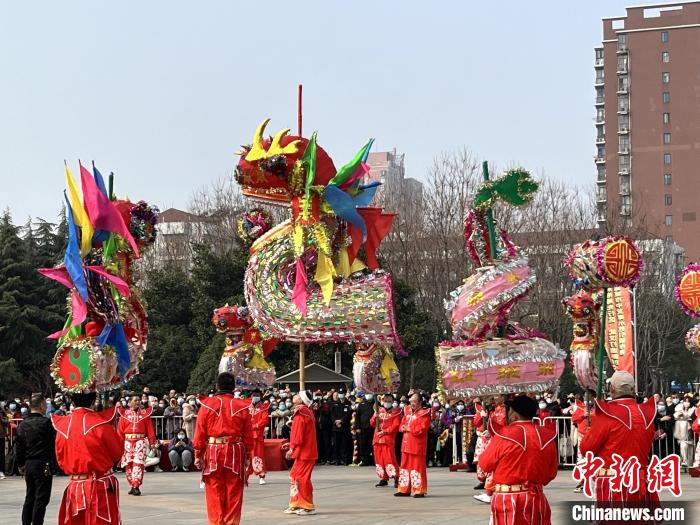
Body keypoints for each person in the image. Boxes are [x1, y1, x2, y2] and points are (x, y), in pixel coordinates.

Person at [580, 371, 658, 518]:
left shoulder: (607, 414)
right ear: (633, 390)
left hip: (614, 483)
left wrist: (590, 429)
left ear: (613, 390)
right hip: (640, 478)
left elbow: (586, 449)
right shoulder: (646, 414)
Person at [478, 394, 558, 525]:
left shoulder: (504, 434)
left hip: (507, 500)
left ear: (514, 414)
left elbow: (484, 465)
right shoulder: (546, 436)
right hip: (535, 499)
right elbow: (551, 473)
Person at [52, 391, 123, 525]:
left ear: (72, 401)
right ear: (93, 401)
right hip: (100, 486)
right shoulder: (101, 423)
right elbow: (117, 453)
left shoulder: (62, 425)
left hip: (75, 486)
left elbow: (60, 458)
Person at [193, 372, 254, 525]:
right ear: (234, 387)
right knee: (234, 492)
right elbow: (248, 435)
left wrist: (198, 454)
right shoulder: (241, 406)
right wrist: (248, 455)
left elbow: (200, 432)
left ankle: (216, 522)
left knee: (214, 492)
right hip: (236, 451)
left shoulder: (207, 405)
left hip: (213, 450)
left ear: (217, 386)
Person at [16, 394, 55, 525]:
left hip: (29, 464)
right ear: (42, 405)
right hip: (44, 464)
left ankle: (26, 522)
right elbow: (53, 443)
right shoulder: (46, 423)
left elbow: (19, 447)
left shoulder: (22, 425)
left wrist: (21, 464)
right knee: (41, 498)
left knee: (30, 496)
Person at [284, 390, 318, 516]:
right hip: (304, 451)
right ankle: (296, 503)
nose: (295, 395)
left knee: (301, 478)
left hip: (305, 452)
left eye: (298, 394)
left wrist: (292, 447)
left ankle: (307, 505)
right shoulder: (305, 412)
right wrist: (292, 445)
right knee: (295, 476)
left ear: (302, 399)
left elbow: (298, 434)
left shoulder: (301, 412)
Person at [117, 395, 157, 496]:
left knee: (138, 463)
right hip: (127, 442)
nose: (138, 402)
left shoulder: (145, 414)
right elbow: (120, 432)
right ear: (130, 402)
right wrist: (118, 445)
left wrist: (152, 443)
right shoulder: (124, 415)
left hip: (140, 441)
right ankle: (132, 484)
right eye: (135, 400)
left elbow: (150, 430)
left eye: (139, 400)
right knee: (128, 464)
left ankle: (136, 485)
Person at [395, 392, 431, 498]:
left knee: (417, 468)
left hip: (417, 446)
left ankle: (419, 490)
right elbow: (401, 425)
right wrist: (403, 428)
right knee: (404, 468)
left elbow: (422, 429)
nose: (412, 403)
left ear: (420, 402)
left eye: (414, 401)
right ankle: (404, 489)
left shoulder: (424, 414)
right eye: (411, 401)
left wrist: (409, 428)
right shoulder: (408, 413)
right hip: (406, 445)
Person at [371, 393, 402, 487]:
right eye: (385, 401)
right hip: (377, 439)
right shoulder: (378, 410)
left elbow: (395, 426)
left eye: (389, 401)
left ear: (393, 402)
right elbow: (372, 423)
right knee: (379, 460)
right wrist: (374, 417)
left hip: (387, 440)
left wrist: (384, 431)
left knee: (390, 460)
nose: (387, 403)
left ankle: (397, 477)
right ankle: (383, 478)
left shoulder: (396, 412)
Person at [248, 388, 269, 485]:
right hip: (247, 435)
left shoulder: (263, 408)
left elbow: (264, 420)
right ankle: (245, 475)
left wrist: (255, 426)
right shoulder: (246, 406)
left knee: (258, 455)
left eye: (256, 396)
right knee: (247, 456)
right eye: (253, 396)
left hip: (257, 435)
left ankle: (261, 475)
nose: (254, 398)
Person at [330, 390, 351, 465]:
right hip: (336, 427)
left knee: (344, 444)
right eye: (340, 394)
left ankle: (345, 460)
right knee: (336, 444)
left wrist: (341, 421)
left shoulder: (348, 403)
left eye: (342, 394)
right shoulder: (334, 403)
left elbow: (348, 414)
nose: (341, 395)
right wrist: (336, 421)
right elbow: (332, 414)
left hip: (344, 427)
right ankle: (337, 460)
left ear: (345, 394)